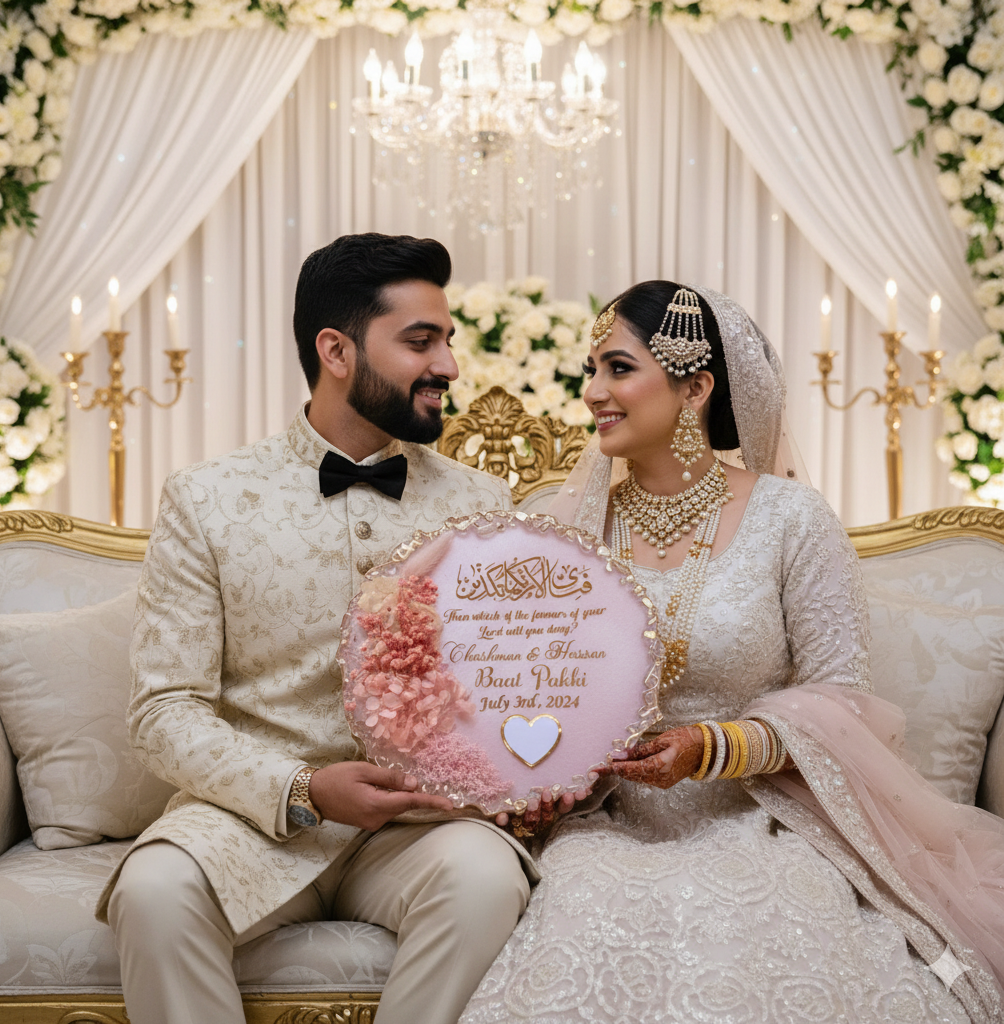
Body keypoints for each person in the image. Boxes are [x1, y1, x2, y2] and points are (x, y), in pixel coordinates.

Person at [458, 282, 1004, 1024]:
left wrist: (713, 748)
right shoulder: (571, 528)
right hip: (611, 824)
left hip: (764, 817)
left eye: (618, 368)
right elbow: (531, 691)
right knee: (587, 920)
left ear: (695, 387)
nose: (592, 393)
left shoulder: (792, 519)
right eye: (592, 371)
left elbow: (843, 700)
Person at [95, 233, 539, 1024]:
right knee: (155, 889)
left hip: (415, 828)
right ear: (335, 349)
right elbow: (162, 713)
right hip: (249, 821)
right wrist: (301, 789)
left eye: (448, 340)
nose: (449, 367)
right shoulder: (207, 499)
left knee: (486, 879)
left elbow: (505, 684)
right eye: (420, 341)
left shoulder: (483, 503)